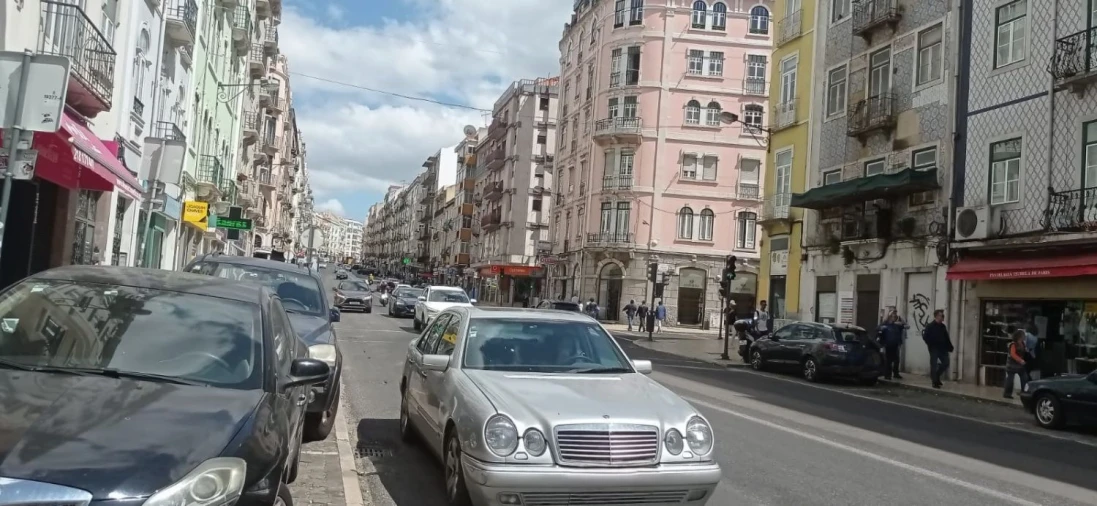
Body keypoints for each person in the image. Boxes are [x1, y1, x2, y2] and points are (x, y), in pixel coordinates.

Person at [922, 309, 954, 388]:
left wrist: (950, 346)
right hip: (934, 348)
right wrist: (931, 344)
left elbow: (946, 337)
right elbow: (925, 337)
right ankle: (934, 382)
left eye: (943, 315)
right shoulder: (930, 326)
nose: (942, 317)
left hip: (943, 348)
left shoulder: (943, 326)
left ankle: (936, 376)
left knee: (946, 363)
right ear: (936, 316)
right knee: (934, 364)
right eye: (941, 315)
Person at [877, 310, 907, 380]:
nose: (894, 317)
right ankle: (887, 374)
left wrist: (901, 320)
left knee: (896, 359)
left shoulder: (896, 325)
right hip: (887, 344)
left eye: (895, 316)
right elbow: (878, 329)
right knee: (888, 360)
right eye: (893, 316)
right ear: (889, 317)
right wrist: (882, 328)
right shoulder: (885, 324)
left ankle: (895, 373)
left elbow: (906, 326)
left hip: (895, 344)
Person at [1003, 329, 1030, 399]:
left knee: (1025, 378)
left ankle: (1024, 391)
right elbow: (1013, 354)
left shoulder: (1023, 344)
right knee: (1010, 380)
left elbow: (1023, 352)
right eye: (1023, 335)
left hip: (1019, 365)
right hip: (1012, 365)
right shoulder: (1013, 344)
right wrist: (1020, 360)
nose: (1024, 337)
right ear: (1019, 336)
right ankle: (1007, 394)